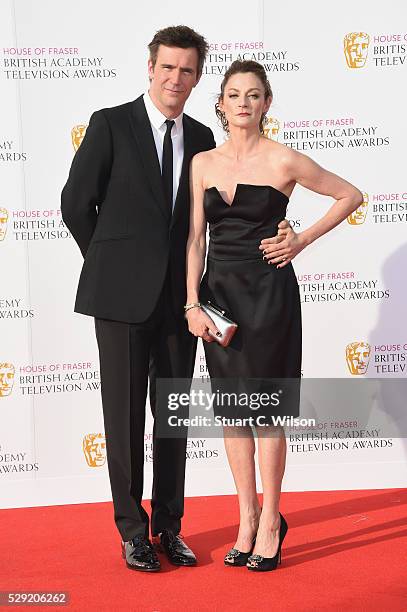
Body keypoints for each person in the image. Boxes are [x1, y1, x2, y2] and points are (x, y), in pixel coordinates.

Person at [185, 60, 363, 572]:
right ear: (220, 103)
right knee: (231, 414)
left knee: (263, 412)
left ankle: (271, 521)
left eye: (254, 95)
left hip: (269, 297)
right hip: (219, 300)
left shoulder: (284, 160)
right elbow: (196, 239)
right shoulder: (202, 163)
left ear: (267, 103)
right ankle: (246, 518)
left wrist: (301, 240)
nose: (244, 102)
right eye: (234, 94)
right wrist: (191, 303)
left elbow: (350, 194)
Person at [61, 25, 217, 573]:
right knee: (123, 419)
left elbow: (210, 220)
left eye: (188, 70)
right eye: (168, 67)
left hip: (181, 301)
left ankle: (169, 528)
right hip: (120, 300)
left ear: (198, 79)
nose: (176, 78)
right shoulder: (110, 124)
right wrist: (110, 263)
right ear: (150, 68)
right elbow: (76, 204)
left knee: (171, 418)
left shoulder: (201, 138)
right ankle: (132, 531)